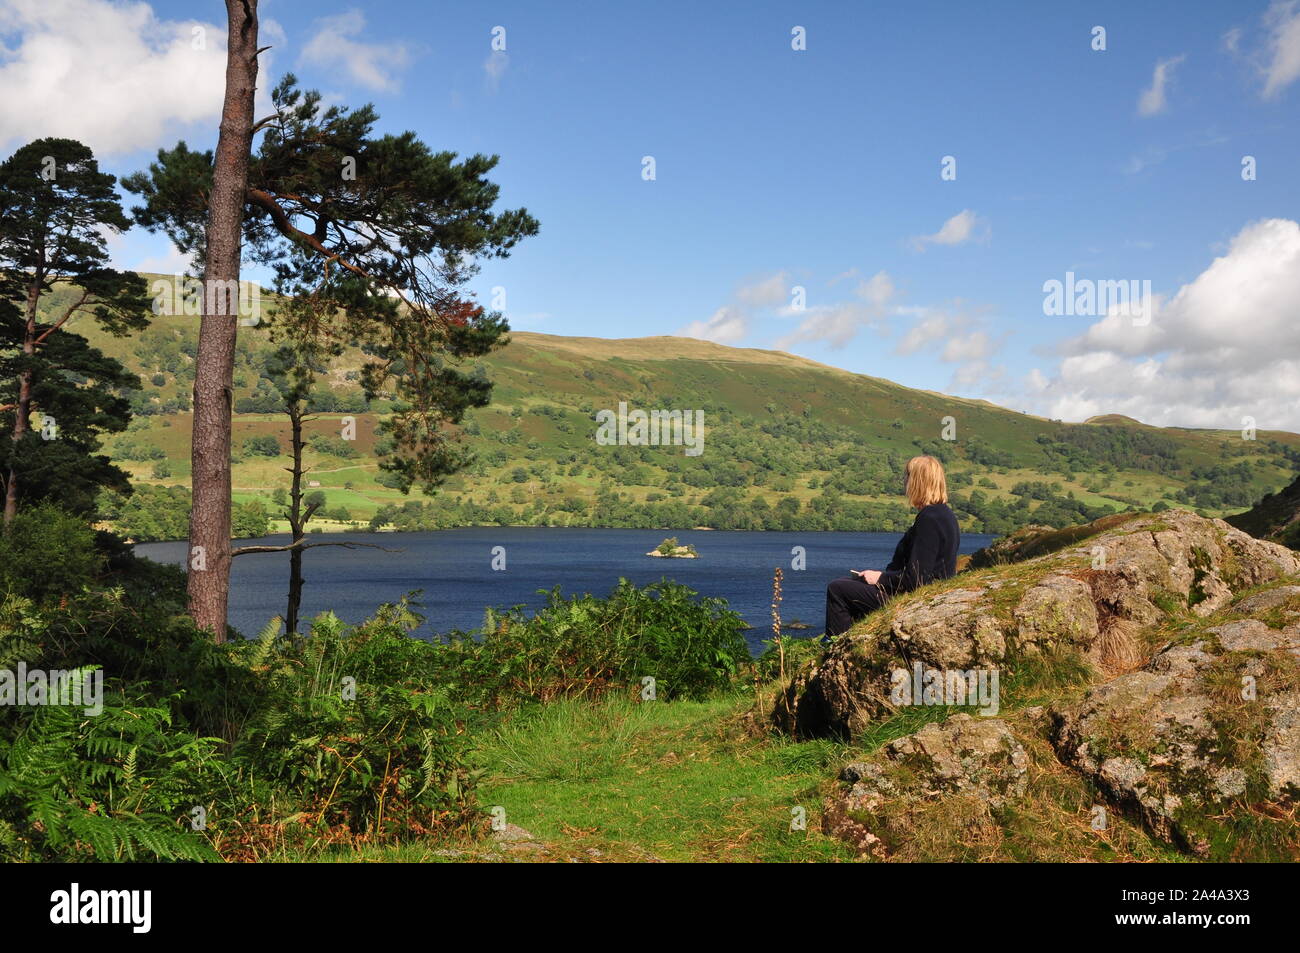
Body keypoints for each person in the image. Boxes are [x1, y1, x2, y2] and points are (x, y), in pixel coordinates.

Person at [823, 454, 960, 639]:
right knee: (850, 584)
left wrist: (880, 578)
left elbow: (917, 580)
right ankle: (859, 641)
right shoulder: (944, 514)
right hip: (932, 593)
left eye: (908, 476)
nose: (904, 481)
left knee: (837, 588)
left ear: (917, 481)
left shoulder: (929, 519)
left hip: (919, 598)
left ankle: (835, 646)